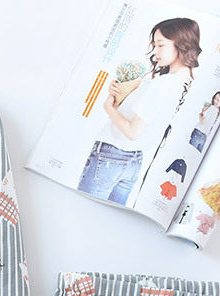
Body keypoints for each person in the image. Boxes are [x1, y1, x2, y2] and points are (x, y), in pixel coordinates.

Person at [78, 17, 201, 206]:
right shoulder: (185, 84)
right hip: (134, 161)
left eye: (161, 45)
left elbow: (132, 132)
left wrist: (109, 107)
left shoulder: (164, 83)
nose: (155, 51)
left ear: (181, 44)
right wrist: (123, 98)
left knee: (83, 208)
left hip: (111, 155)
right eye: (154, 45)